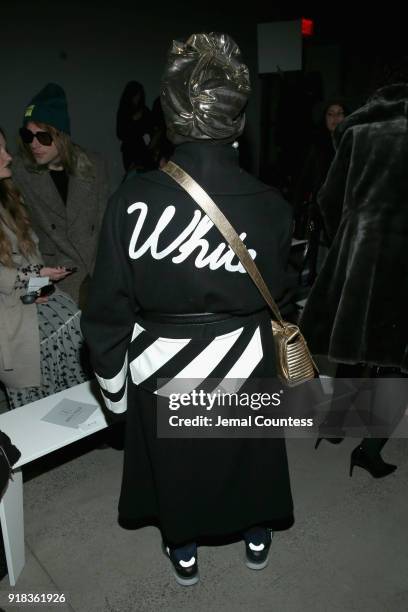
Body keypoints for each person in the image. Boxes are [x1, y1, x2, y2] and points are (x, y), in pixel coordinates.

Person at [81, 32, 294, 586]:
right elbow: (286, 292)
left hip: (161, 363)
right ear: (238, 120)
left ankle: (185, 547)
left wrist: (114, 394)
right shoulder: (273, 206)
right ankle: (255, 534)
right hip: (248, 360)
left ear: (170, 118)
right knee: (248, 451)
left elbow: (106, 309)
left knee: (180, 460)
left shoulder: (132, 199)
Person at [300, 57, 408, 477]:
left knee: (354, 340)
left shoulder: (355, 128)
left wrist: (349, 234)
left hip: (359, 256)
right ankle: (370, 449)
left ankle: (333, 424)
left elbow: (327, 198)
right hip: (401, 261)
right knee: (396, 359)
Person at [0, 128, 89, 409]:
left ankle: (77, 415)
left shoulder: (9, 195)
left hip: (24, 294)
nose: (8, 157)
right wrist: (34, 277)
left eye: (5, 148)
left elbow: (30, 256)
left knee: (73, 320)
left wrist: (42, 279)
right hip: (7, 311)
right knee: (54, 337)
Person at [12, 83, 110, 307]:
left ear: (61, 135)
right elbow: (23, 241)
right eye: (28, 135)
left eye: (43, 137)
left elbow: (105, 227)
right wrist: (34, 289)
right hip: (51, 278)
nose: (34, 144)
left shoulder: (95, 166)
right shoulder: (20, 173)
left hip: (97, 277)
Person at [293, 99, 349, 284]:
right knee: (316, 251)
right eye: (330, 114)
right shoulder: (316, 145)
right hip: (318, 213)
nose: (335, 118)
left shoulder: (353, 144)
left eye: (340, 113)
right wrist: (297, 210)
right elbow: (304, 181)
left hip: (346, 211)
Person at [116, 81, 155, 173]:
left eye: (139, 95)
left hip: (144, 150)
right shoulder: (124, 111)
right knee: (133, 177)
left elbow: (152, 130)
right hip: (130, 151)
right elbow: (120, 133)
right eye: (135, 95)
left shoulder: (144, 110)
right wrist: (132, 120)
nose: (137, 98)